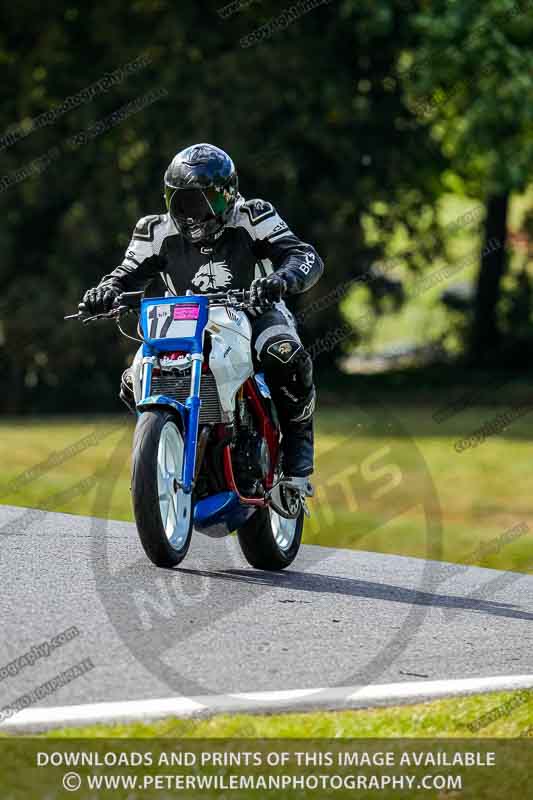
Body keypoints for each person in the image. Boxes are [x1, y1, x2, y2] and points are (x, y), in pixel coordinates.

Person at [80, 143, 323, 483]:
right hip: (182, 320)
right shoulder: (153, 230)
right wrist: (106, 291)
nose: (194, 213)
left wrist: (281, 279)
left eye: (206, 201)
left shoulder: (254, 215)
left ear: (229, 193)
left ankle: (298, 445)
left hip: (256, 312)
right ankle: (175, 442)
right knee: (131, 382)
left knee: (284, 354)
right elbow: (125, 272)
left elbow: (303, 255)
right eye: (184, 202)